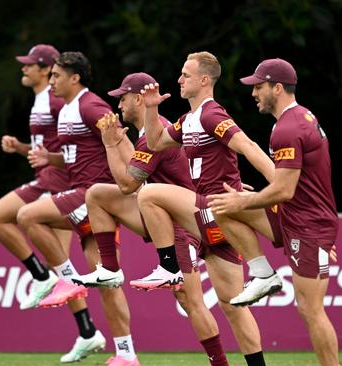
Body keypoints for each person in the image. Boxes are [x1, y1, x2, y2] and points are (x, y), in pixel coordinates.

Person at [74, 72, 230, 366]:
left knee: (191, 302)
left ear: (136, 99)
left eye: (122, 98)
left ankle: (220, 363)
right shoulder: (150, 132)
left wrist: (109, 144)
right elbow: (136, 171)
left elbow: (127, 185)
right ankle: (109, 269)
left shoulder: (154, 132)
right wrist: (119, 143)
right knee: (96, 194)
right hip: (162, 216)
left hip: (181, 224)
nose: (118, 105)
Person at [136, 51, 275, 366]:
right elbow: (155, 143)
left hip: (214, 207)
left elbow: (248, 146)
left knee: (149, 195)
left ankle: (168, 265)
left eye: (185, 74)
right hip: (216, 220)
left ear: (203, 80)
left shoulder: (211, 114)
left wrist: (279, 186)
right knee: (233, 306)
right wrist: (151, 108)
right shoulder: (189, 120)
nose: (180, 79)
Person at [206, 58, 339, 366]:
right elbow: (286, 188)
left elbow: (283, 190)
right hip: (295, 217)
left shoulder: (288, 128)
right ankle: (264, 274)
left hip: (307, 224)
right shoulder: (298, 118)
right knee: (222, 207)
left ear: (277, 88)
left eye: (259, 86)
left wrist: (244, 201)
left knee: (310, 309)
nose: (254, 93)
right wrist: (243, 200)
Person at [0, 44, 102, 363]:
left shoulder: (54, 100)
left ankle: (40, 276)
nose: (23, 69)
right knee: (61, 263)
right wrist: (22, 148)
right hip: (51, 179)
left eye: (29, 65)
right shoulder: (43, 99)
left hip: (55, 183)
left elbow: (71, 148)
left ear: (46, 69)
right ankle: (88, 331)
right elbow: (48, 148)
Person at [18, 51, 138, 365]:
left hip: (92, 196)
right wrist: (50, 160)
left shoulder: (90, 105)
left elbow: (119, 139)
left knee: (27, 215)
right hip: (84, 199)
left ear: (75, 78)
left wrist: (138, 177)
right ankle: (127, 355)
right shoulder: (70, 108)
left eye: (56, 75)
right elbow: (80, 153)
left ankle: (67, 280)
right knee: (108, 283)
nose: (51, 80)